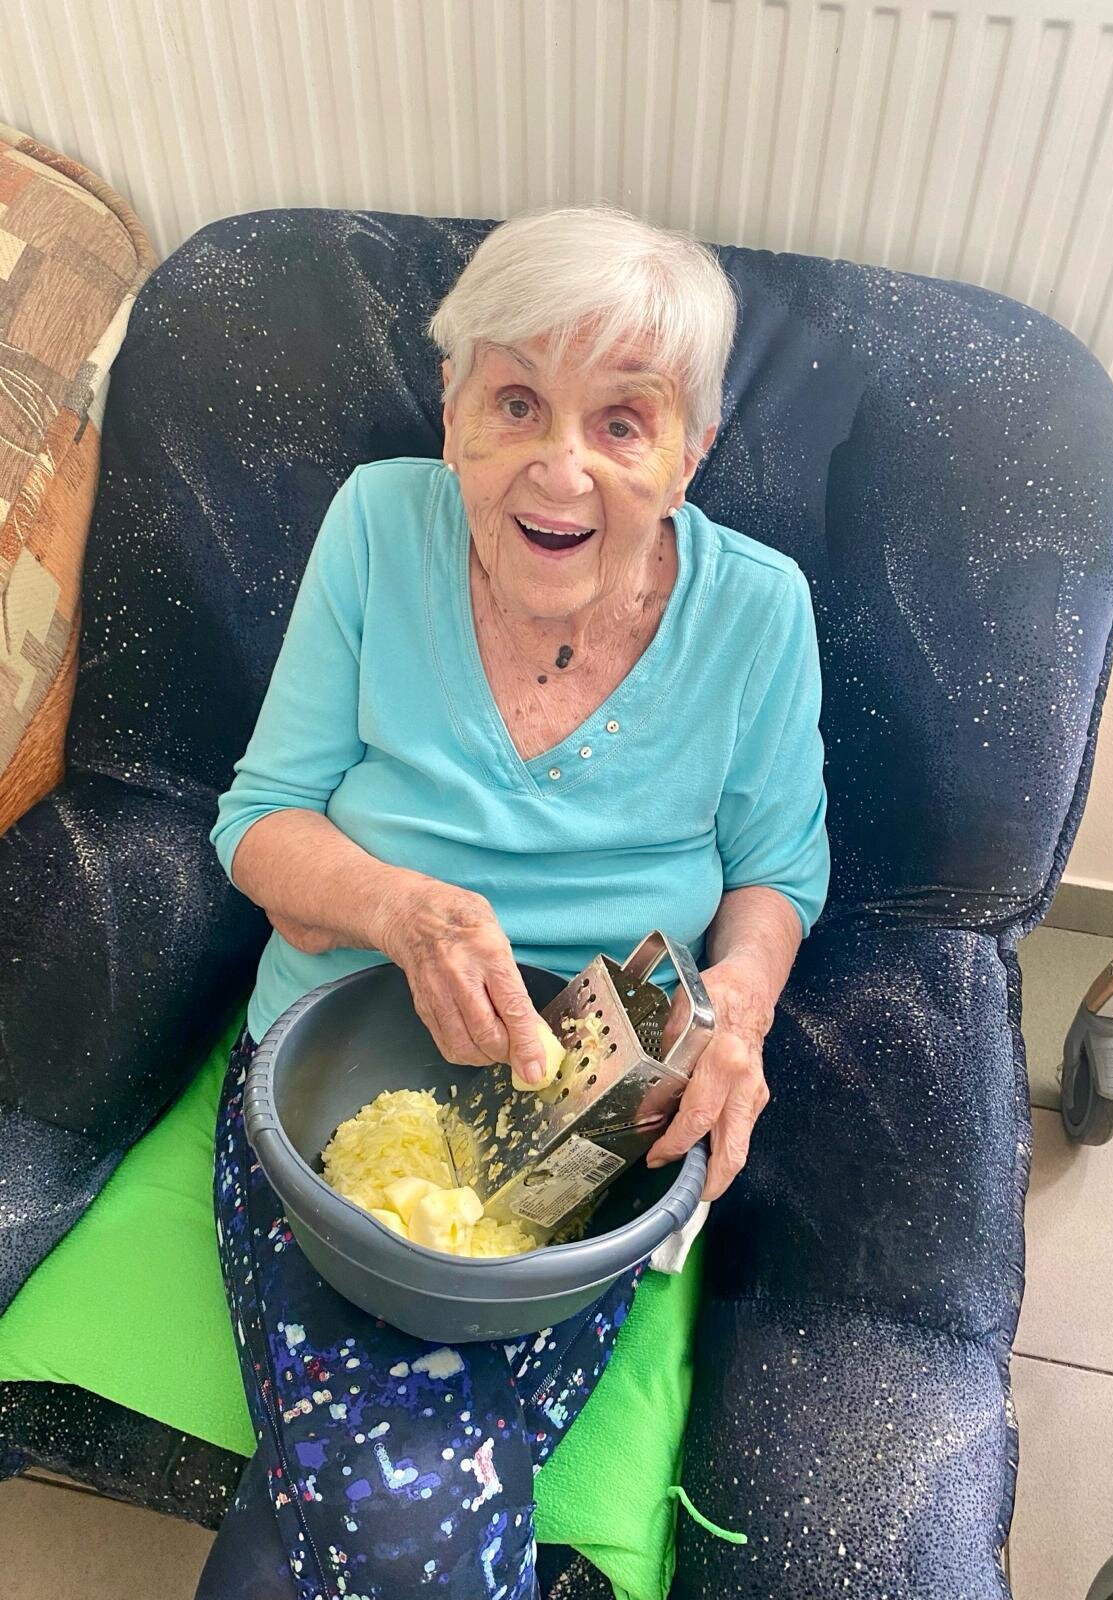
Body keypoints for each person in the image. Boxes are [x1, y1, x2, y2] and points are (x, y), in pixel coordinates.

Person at [197, 202, 829, 1599]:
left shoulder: (758, 614)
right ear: (452, 410)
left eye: (623, 421)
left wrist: (733, 1010)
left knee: (348, 1529)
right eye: (519, 402)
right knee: (403, 1523)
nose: (561, 466)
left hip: (596, 1111)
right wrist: (401, 909)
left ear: (690, 452)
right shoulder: (378, 527)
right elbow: (260, 824)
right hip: (323, 1087)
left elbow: (777, 876)